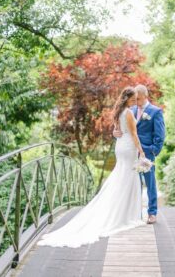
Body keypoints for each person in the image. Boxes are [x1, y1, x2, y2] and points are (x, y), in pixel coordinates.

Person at [37, 87, 146, 248]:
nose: (135, 101)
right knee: (128, 177)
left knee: (122, 177)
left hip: (120, 147)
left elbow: (116, 131)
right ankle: (125, 215)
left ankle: (122, 211)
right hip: (128, 147)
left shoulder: (119, 112)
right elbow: (134, 134)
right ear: (127, 98)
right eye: (133, 99)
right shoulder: (128, 113)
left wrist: (118, 134)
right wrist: (141, 151)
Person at [113, 84, 165, 224]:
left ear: (145, 96)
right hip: (130, 151)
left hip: (146, 152)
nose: (136, 102)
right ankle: (134, 213)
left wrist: (153, 150)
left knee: (150, 182)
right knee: (132, 182)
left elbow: (160, 135)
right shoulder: (130, 109)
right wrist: (115, 133)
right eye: (135, 99)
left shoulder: (155, 112)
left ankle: (152, 213)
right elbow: (123, 128)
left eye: (139, 99)